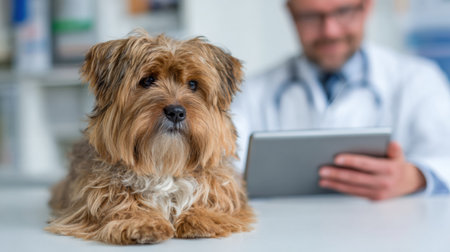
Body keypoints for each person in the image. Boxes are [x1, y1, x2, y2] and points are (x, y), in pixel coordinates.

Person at [231, 0, 450, 200]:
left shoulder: (418, 79)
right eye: (310, 17)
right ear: (291, 14)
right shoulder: (252, 92)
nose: (330, 30)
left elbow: (444, 155)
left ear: (367, 7)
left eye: (344, 11)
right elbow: (222, 165)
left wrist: (413, 177)